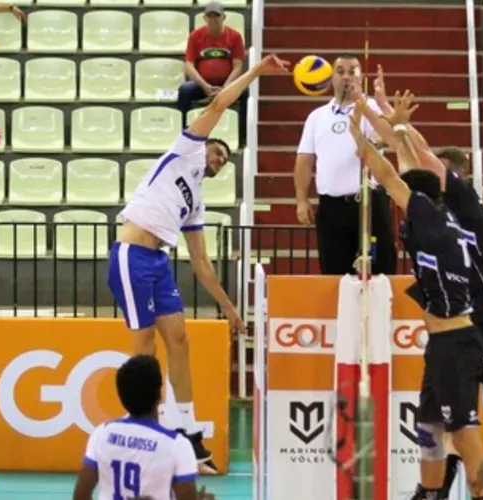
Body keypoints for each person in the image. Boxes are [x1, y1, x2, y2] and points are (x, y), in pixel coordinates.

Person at [110, 53, 289, 474]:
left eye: (224, 160)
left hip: (156, 261)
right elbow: (218, 105)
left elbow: (203, 263)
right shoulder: (185, 150)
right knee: (144, 349)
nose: (218, 159)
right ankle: (144, 428)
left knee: (180, 341)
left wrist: (229, 308)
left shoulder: (196, 202)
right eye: (216, 152)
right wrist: (258, 70)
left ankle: (187, 431)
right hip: (130, 254)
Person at [357, 71, 483, 499]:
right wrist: (386, 113)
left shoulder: (459, 206)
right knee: (431, 423)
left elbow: (410, 159)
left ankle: (471, 487)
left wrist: (373, 116)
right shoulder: (439, 210)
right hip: (457, 326)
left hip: (480, 319)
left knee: (461, 425)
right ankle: (431, 490)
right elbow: (408, 160)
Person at [294, 55, 397, 276]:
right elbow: (304, 160)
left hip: (370, 203)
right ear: (332, 77)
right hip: (332, 207)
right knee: (334, 273)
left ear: (361, 77)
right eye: (340, 71)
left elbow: (388, 138)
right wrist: (302, 199)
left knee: (381, 270)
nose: (346, 76)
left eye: (352, 71)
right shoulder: (317, 117)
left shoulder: (373, 108)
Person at [72, 355, 215, 500]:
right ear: (159, 394)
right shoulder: (177, 446)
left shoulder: (102, 433)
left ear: (121, 396)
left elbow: (80, 496)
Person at [178, 1, 247, 145]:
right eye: (209, 16)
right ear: (204, 18)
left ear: (224, 17)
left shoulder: (234, 37)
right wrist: (205, 86)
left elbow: (238, 66)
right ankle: (185, 134)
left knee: (245, 92)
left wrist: (226, 89)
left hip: (226, 84)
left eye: (216, 16)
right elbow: (189, 65)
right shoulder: (196, 36)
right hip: (203, 85)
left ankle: (242, 135)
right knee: (184, 91)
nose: (213, 19)